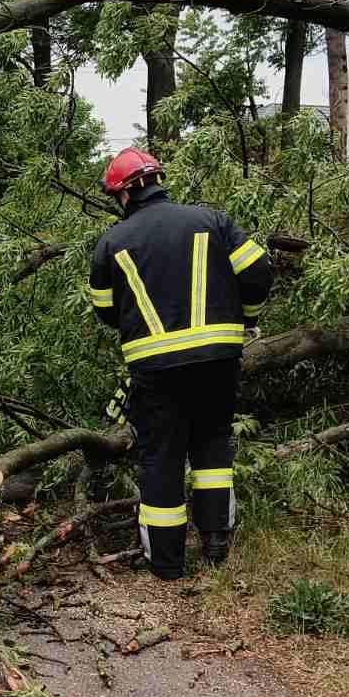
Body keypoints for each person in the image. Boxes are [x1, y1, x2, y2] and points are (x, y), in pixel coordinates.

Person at [87, 148, 273, 581]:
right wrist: (248, 318)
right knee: (212, 446)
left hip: (154, 368)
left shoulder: (111, 243)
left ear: (124, 194)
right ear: (157, 181)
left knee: (161, 457)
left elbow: (106, 311)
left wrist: (142, 326)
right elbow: (259, 273)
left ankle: (167, 564)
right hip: (218, 360)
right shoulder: (212, 221)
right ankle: (216, 544)